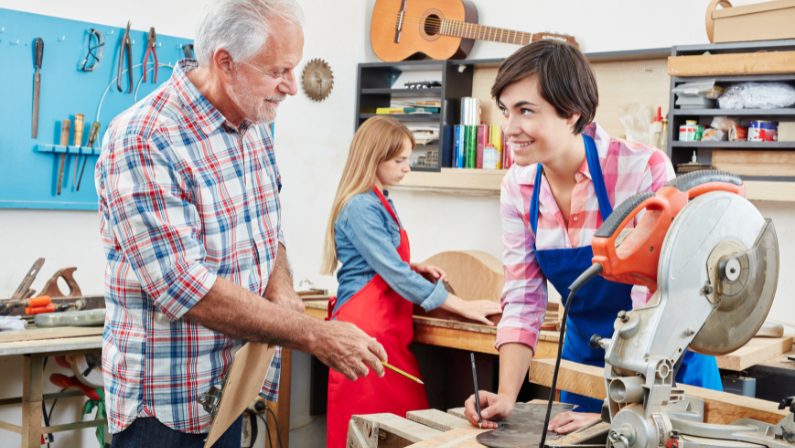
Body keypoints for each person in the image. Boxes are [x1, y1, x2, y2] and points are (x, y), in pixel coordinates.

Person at [95, 1, 388, 446]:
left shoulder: (253, 126)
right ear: (225, 63)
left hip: (229, 388)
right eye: (279, 71)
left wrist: (283, 291)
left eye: (295, 69)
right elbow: (183, 289)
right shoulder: (143, 138)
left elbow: (267, 229)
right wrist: (312, 333)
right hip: (165, 404)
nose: (291, 87)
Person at [462, 40, 723, 434]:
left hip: (663, 370)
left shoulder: (643, 170)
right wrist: (506, 396)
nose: (510, 128)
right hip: (585, 364)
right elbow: (523, 299)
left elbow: (652, 302)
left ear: (572, 113)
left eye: (525, 111)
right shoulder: (518, 186)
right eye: (505, 110)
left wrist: (619, 407)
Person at [322, 116, 502, 447]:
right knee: (374, 427)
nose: (407, 168)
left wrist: (414, 267)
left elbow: (379, 264)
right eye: (399, 160)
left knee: (402, 425)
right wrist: (461, 305)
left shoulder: (380, 200)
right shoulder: (361, 206)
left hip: (387, 330)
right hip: (368, 331)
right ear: (374, 159)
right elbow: (392, 273)